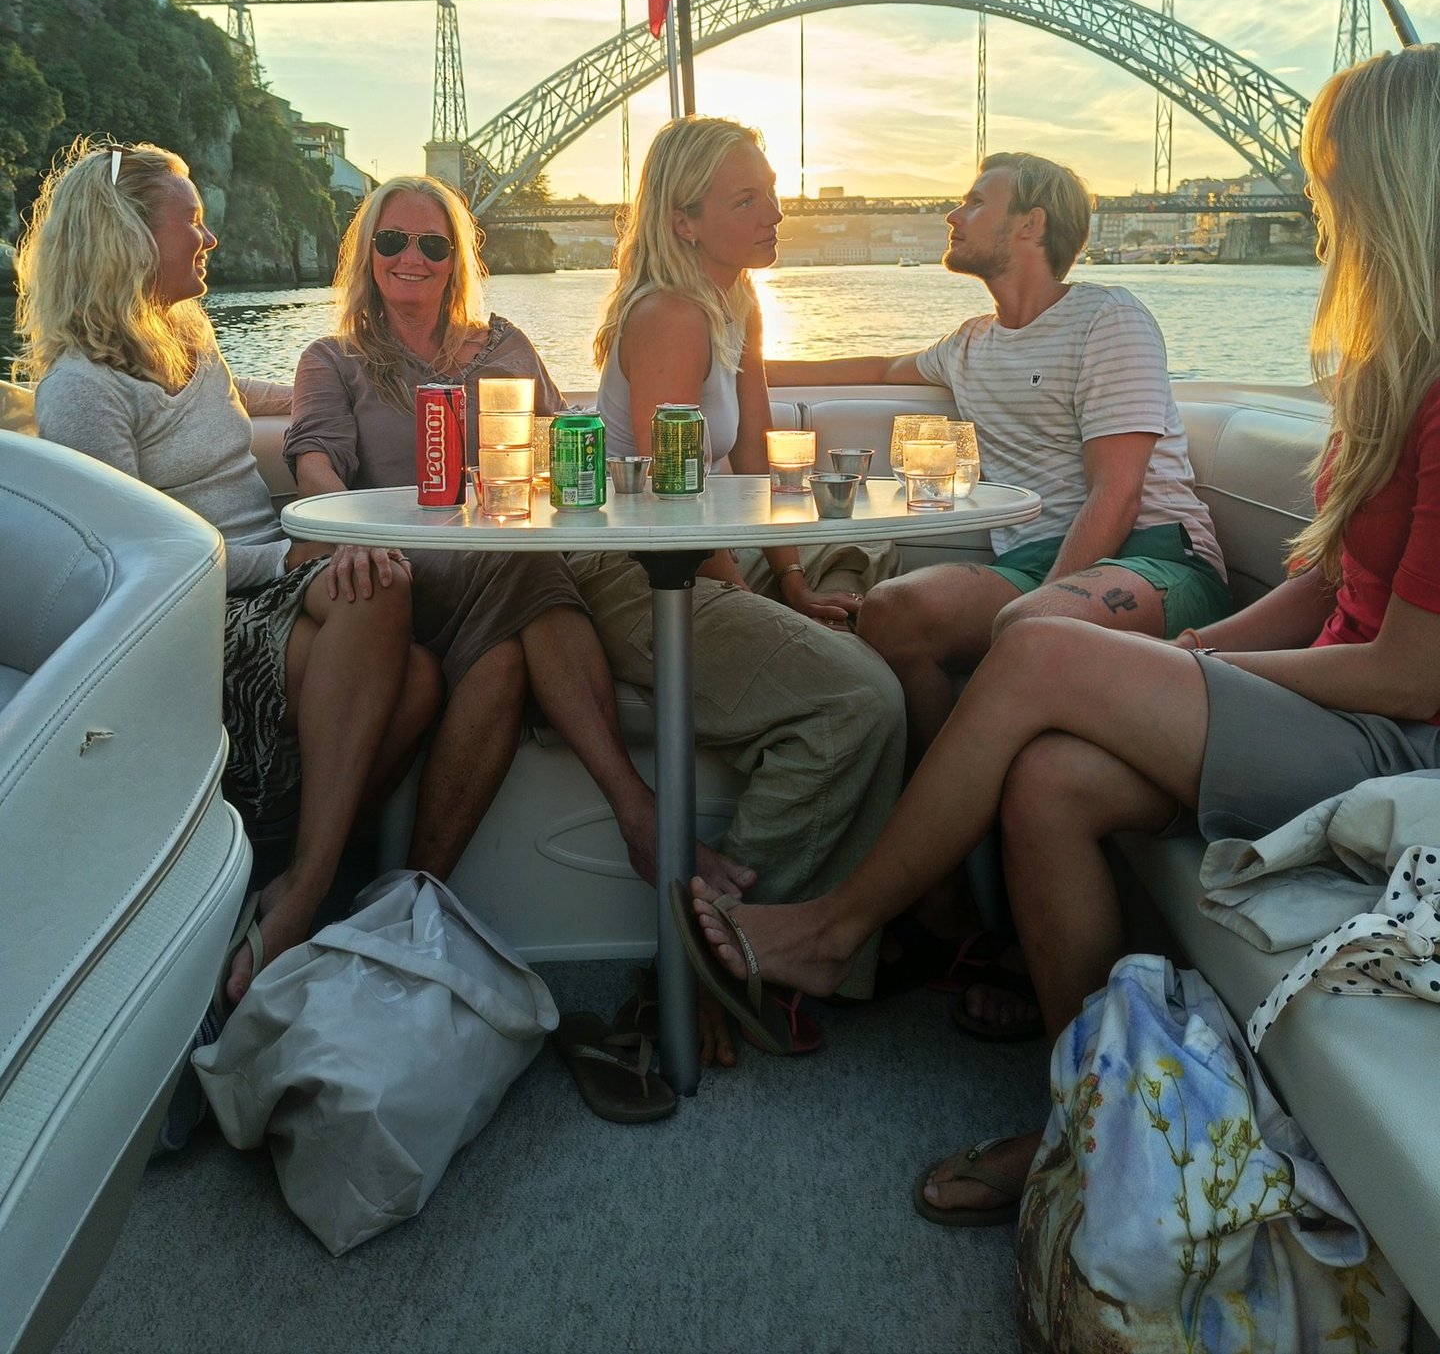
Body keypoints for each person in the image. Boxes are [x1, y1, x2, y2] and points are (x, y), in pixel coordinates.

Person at [682, 45, 1440, 1220]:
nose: (1315, 205)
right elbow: (1325, 581)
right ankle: (1088, 1115)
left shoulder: (1148, 327)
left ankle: (835, 928)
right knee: (1045, 780)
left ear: (1397, 186)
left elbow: (1410, 669)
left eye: (1331, 178)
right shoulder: (1396, 375)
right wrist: (1194, 662)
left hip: (1393, 737)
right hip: (1319, 696)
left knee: (1036, 641)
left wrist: (1183, 657)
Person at [767, 148, 1230, 1023]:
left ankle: (873, 918)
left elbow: (1118, 493)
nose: (953, 213)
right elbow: (874, 368)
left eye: (975, 200)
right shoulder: (970, 345)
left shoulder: (1109, 319)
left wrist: (1035, 616)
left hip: (1155, 558)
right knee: (895, 613)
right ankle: (955, 899)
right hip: (1041, 562)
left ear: (1031, 225)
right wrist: (740, 360)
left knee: (1024, 635)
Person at [17, 139, 442, 1002]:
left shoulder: (183, 335)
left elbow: (244, 402)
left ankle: (278, 878)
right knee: (384, 585)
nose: (208, 241)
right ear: (129, 236)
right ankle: (309, 887)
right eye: (193, 223)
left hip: (271, 576)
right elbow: (132, 570)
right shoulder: (81, 390)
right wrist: (290, 555)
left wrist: (334, 386)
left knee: (425, 677)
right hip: (196, 614)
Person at [285, 173, 750, 901]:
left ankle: (407, 897)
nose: (413, 256)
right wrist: (355, 536)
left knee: (504, 658)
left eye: (433, 243)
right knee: (525, 573)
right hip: (405, 576)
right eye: (393, 240)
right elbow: (315, 461)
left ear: (456, 259)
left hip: (507, 570)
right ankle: (638, 810)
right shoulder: (332, 358)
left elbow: (564, 437)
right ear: (367, 254)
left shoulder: (505, 345)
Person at [575, 117, 907, 1057]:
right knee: (861, 697)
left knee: (891, 626)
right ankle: (709, 956)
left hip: (715, 551)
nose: (776, 211)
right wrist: (762, 595)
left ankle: (830, 945)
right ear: (684, 221)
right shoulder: (672, 317)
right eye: (747, 198)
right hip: (647, 579)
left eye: (771, 189)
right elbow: (681, 505)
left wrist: (794, 584)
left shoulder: (736, 300)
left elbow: (753, 461)